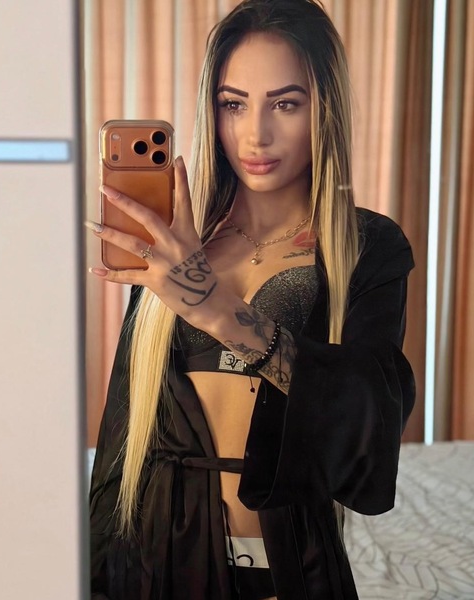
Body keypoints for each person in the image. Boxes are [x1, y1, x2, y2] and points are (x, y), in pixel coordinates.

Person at [86, 0, 415, 598]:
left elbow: (370, 419)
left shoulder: (367, 246)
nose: (255, 134)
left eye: (285, 104)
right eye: (232, 104)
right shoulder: (177, 243)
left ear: (324, 109)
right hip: (159, 567)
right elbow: (122, 444)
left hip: (293, 565)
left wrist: (213, 307)